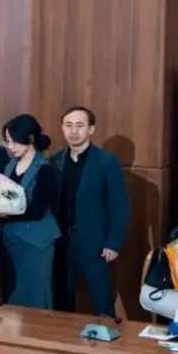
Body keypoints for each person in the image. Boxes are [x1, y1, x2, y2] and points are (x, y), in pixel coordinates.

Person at [49, 106, 129, 317]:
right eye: (68, 125)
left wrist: (113, 242)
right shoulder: (55, 161)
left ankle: (107, 336)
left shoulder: (106, 162)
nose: (73, 131)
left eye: (79, 125)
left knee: (102, 302)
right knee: (61, 302)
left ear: (91, 129)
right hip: (61, 242)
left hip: (95, 244)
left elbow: (119, 206)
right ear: (62, 128)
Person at [0, 115, 61, 309]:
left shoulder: (46, 168)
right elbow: (5, 196)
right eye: (7, 141)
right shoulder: (11, 165)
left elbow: (37, 210)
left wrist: (0, 213)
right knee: (13, 296)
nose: (10, 146)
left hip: (36, 241)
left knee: (35, 294)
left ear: (30, 138)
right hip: (11, 240)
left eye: (13, 141)